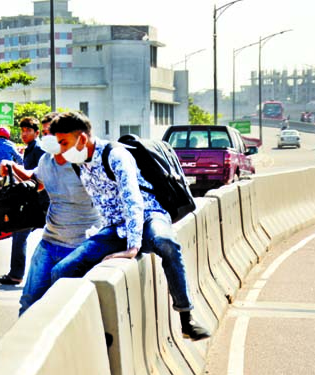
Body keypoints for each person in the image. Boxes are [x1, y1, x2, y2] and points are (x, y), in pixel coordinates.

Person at [48, 111, 211, 341]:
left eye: (64, 143)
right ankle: (72, 333)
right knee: (61, 271)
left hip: (148, 215)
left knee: (165, 242)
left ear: (82, 138)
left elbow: (132, 199)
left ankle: (187, 319)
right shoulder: (79, 163)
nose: (62, 150)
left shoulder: (116, 155)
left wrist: (133, 246)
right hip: (115, 227)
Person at [1, 113, 102, 314]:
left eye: (52, 134)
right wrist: (11, 166)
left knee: (66, 308)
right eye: (46, 134)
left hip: (79, 246)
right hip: (49, 243)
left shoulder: (88, 164)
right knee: (29, 301)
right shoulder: (47, 160)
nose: (49, 140)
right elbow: (37, 182)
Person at [0, 117, 47, 286]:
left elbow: (38, 176)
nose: (24, 134)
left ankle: (17, 275)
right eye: (22, 131)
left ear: (37, 133)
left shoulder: (38, 149)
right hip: (35, 199)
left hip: (41, 201)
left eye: (28, 131)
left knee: (20, 233)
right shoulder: (29, 149)